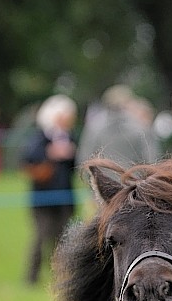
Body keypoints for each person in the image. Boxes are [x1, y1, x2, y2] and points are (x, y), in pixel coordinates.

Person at [22, 94, 78, 285]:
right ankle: (31, 277)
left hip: (64, 197)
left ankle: (62, 276)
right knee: (40, 237)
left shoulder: (70, 137)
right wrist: (51, 154)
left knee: (63, 239)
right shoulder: (40, 137)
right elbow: (28, 159)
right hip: (43, 197)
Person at [76, 84, 161, 168]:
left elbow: (84, 159)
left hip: (102, 179)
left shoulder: (93, 127)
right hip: (133, 179)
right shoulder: (141, 127)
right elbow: (152, 160)